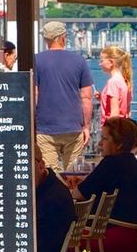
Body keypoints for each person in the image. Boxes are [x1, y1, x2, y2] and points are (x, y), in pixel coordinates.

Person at [75, 117, 137, 252]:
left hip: (117, 236)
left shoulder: (111, 163)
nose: (99, 144)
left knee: (60, 241)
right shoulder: (136, 166)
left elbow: (77, 195)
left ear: (119, 144)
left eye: (104, 139)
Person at [32, 19, 93, 174]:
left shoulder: (36, 61)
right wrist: (86, 126)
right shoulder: (79, 61)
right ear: (63, 37)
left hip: (44, 128)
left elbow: (35, 95)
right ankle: (71, 198)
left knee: (50, 173)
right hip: (73, 126)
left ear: (46, 39)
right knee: (74, 174)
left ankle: (57, 197)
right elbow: (86, 98)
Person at [97, 46, 132, 124]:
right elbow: (126, 109)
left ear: (111, 62)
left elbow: (114, 113)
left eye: (102, 61)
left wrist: (109, 132)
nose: (100, 64)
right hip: (122, 125)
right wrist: (102, 98)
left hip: (112, 130)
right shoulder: (124, 81)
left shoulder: (113, 82)